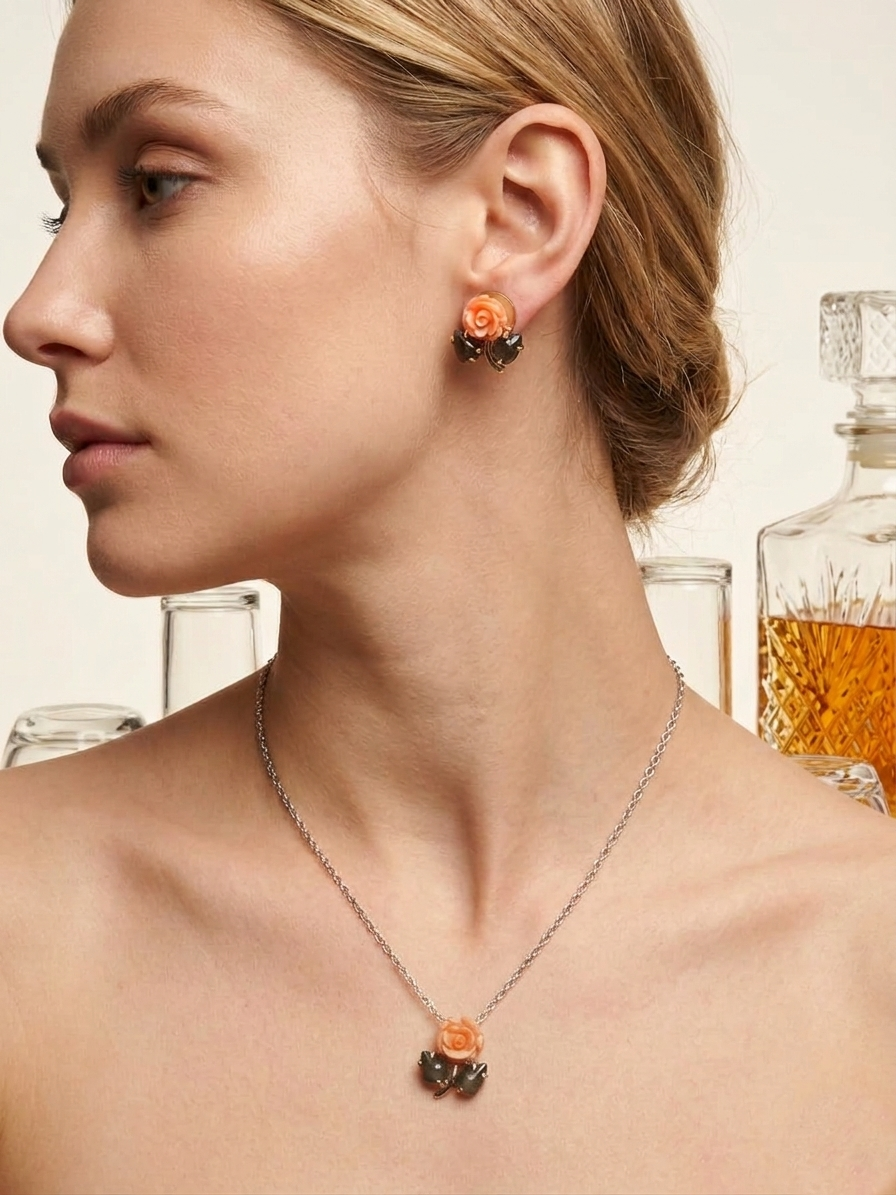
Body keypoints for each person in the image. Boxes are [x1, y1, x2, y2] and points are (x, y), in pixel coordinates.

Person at [2, 0, 896, 1189]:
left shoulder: (866, 970)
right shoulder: (23, 931)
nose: (37, 313)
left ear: (517, 218)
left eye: (157, 184)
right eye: (61, 205)